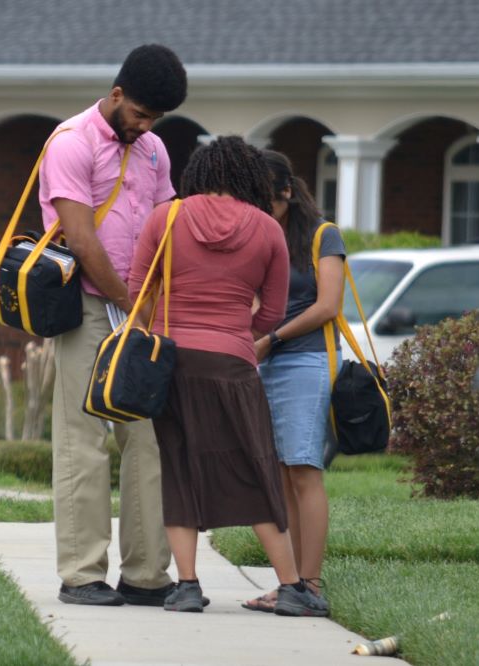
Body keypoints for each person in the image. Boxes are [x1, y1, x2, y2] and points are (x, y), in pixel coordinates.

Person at [127, 136, 329, 616]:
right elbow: (274, 311)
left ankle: (188, 585)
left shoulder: (166, 217)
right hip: (234, 363)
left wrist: (160, 329)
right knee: (255, 469)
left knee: (177, 469)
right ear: (249, 179)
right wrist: (238, 332)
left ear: (198, 172)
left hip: (172, 361)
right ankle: (294, 586)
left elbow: (139, 292)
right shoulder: (266, 229)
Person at [39, 44, 188, 606]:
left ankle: (147, 574)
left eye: (155, 120)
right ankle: (82, 574)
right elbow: (79, 237)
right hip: (83, 305)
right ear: (117, 94)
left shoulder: (152, 152)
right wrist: (132, 302)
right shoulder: (71, 143)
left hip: (139, 309)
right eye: (141, 115)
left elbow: (165, 226)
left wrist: (156, 304)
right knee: (84, 439)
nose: (146, 127)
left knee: (147, 437)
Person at [244, 149, 346, 614]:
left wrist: (272, 339)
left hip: (304, 360)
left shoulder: (324, 235)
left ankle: (312, 584)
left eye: (265, 200)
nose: (258, 209)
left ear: (287, 191)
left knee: (304, 470)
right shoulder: (260, 236)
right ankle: (292, 584)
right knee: (280, 475)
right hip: (263, 357)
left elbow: (328, 305)